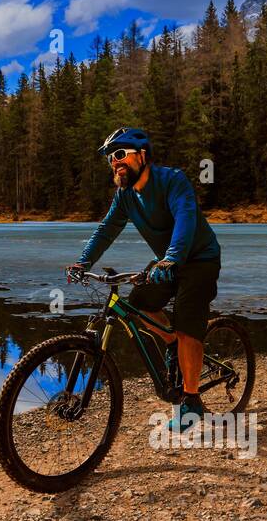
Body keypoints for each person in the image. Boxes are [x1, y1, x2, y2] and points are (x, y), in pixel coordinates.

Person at [68, 127, 222, 430]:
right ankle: (172, 343)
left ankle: (191, 402)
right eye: (112, 158)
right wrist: (83, 260)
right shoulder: (125, 195)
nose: (116, 162)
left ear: (142, 155)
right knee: (138, 302)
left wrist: (172, 257)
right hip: (168, 262)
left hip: (199, 258)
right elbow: (107, 229)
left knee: (189, 322)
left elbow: (185, 218)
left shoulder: (172, 180)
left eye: (121, 154)